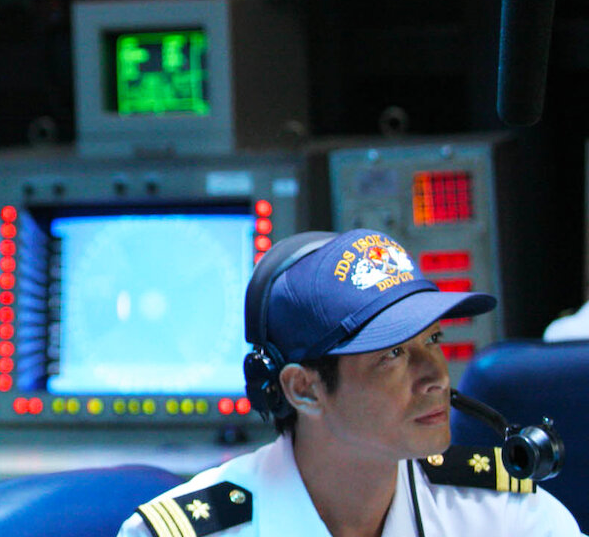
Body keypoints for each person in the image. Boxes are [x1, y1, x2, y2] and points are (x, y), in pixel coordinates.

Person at [117, 228, 583, 537]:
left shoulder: (503, 515)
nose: (436, 376)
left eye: (433, 340)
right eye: (393, 354)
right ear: (303, 389)